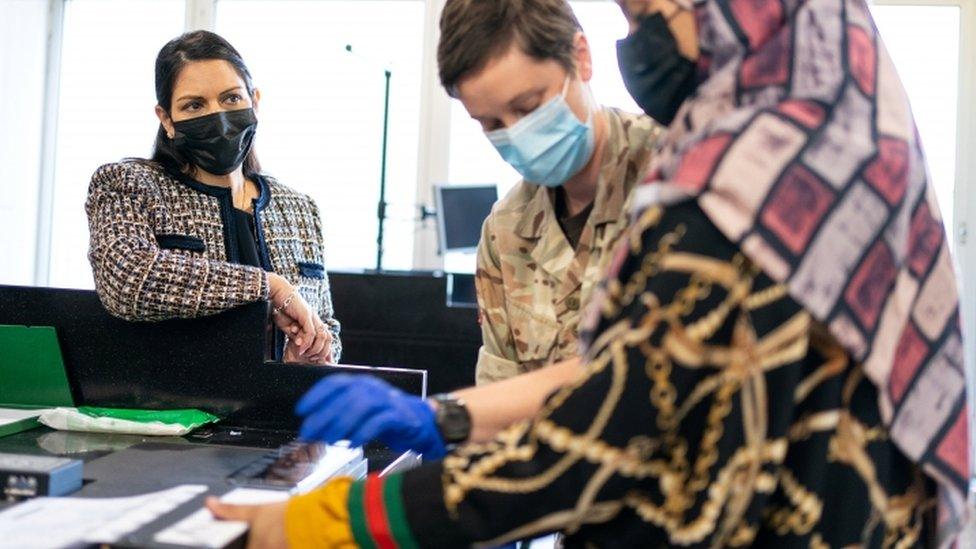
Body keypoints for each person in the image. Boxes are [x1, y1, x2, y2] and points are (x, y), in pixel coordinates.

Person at [210, 0, 972, 546]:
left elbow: (613, 419)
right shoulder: (835, 137)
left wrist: (350, 517)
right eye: (489, 123)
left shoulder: (716, 192)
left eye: (646, 14)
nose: (514, 137)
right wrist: (451, 422)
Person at [441, 0, 664, 385]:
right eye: (491, 123)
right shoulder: (505, 231)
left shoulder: (676, 176)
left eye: (528, 107)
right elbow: (501, 396)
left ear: (581, 58)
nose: (515, 134)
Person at [86, 31, 339, 364]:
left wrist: (316, 353)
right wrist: (268, 287)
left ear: (255, 101)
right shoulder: (127, 185)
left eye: (231, 98)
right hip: (169, 410)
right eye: (194, 105)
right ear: (167, 120)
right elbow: (127, 280)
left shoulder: (300, 210)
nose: (218, 117)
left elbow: (327, 326)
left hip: (277, 409)